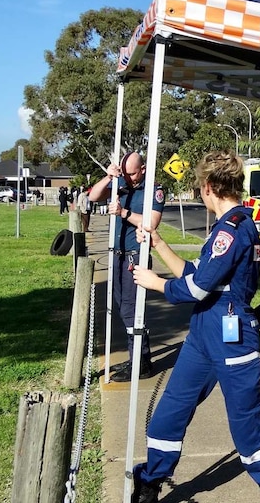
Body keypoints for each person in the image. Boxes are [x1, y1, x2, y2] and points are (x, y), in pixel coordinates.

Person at [130, 150, 260, 503]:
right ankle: (150, 482)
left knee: (248, 431)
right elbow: (198, 275)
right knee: (170, 413)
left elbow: (195, 288)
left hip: (232, 337)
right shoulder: (224, 227)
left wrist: (153, 283)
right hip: (204, 335)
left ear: (208, 187)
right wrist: (159, 243)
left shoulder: (234, 229)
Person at [89, 152, 165, 382]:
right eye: (125, 173)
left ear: (142, 169)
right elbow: (93, 197)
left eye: (132, 173)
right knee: (123, 308)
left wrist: (123, 213)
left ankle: (141, 362)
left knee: (133, 310)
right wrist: (109, 177)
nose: (128, 178)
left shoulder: (155, 190)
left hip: (135, 256)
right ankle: (136, 357)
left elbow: (151, 223)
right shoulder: (119, 182)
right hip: (117, 254)